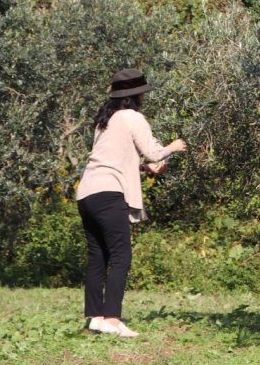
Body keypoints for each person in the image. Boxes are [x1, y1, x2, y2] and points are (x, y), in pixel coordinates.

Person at [75, 68, 187, 339]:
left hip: (87, 192)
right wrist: (173, 147)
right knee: (121, 255)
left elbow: (116, 157)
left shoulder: (105, 120)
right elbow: (153, 151)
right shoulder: (133, 117)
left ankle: (96, 318)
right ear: (137, 96)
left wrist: (147, 169)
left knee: (97, 256)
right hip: (110, 193)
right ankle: (113, 319)